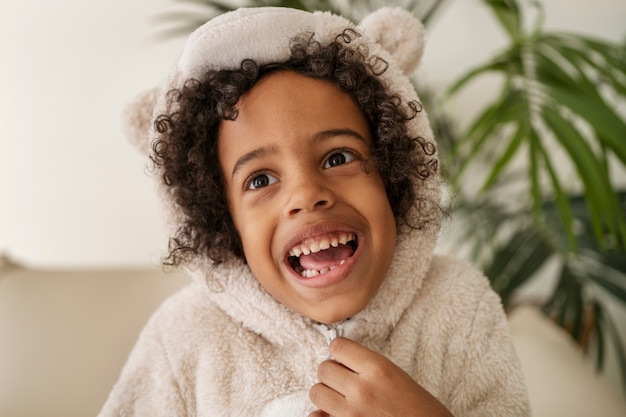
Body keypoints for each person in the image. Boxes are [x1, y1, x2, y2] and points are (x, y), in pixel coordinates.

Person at [100, 6, 530, 417]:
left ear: (393, 175)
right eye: (260, 180)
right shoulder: (184, 336)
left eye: (338, 157)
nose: (307, 195)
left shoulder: (459, 305)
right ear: (224, 222)